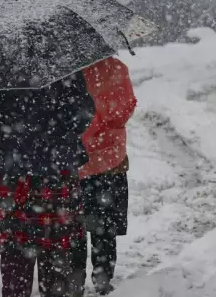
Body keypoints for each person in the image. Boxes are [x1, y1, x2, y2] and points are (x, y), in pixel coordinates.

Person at [0, 72, 94, 297]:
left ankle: (16, 290)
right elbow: (83, 115)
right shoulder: (64, 64)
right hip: (57, 169)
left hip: (16, 172)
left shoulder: (5, 64)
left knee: (16, 246)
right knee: (56, 247)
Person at [73, 57, 137, 296]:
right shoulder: (117, 69)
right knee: (104, 225)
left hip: (75, 161)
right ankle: (102, 276)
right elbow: (124, 112)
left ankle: (73, 277)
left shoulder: (69, 70)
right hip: (110, 161)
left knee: (74, 225)